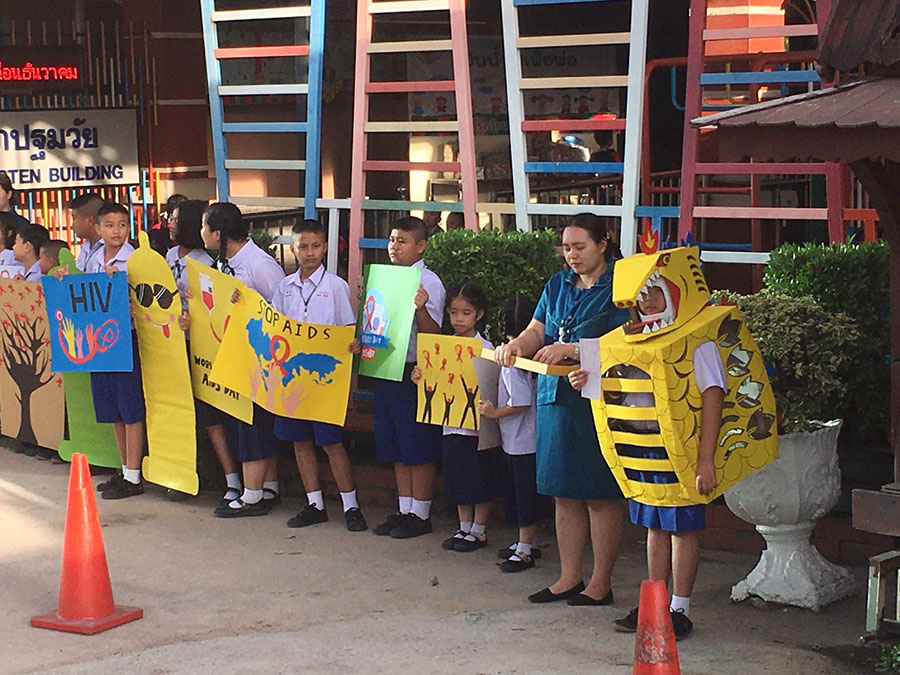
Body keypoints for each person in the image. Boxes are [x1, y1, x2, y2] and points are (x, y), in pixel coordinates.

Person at [569, 276, 725, 640]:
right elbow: (609, 388)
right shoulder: (626, 339)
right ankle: (656, 601)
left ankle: (679, 608)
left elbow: (713, 395)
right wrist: (584, 380)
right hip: (641, 446)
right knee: (654, 524)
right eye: (642, 295)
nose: (649, 301)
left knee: (682, 526)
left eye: (657, 292)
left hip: (681, 449)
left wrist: (706, 459)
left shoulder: (696, 340)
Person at [494, 213, 630, 605]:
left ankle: (600, 583)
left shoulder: (620, 285)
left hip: (597, 398)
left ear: (602, 244)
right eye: (567, 248)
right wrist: (516, 345)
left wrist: (570, 349)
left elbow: (627, 338)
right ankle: (568, 577)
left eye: (580, 247)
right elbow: (537, 330)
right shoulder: (557, 284)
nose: (572, 255)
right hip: (555, 396)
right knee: (562, 492)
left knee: (599, 494)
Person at [270, 219, 367, 532]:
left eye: (315, 246)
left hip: (325, 380)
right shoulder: (285, 287)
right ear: (293, 249)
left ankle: (351, 505)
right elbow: (274, 326)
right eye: (303, 247)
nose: (309, 253)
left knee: (331, 442)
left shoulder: (335, 286)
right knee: (300, 440)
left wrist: (352, 345)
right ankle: (315, 503)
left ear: (325, 247)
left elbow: (346, 331)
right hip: (294, 377)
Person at [202, 202, 287, 518]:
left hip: (260, 360)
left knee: (253, 426)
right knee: (244, 423)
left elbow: (280, 309)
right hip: (236, 357)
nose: (201, 233)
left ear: (217, 233)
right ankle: (268, 487)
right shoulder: (224, 263)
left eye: (204, 227)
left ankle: (252, 495)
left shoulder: (259, 264)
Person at [372, 216, 446, 539]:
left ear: (421, 246)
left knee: (417, 443)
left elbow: (436, 333)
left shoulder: (428, 281)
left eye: (402, 241)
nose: (394, 247)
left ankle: (421, 512)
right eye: (392, 240)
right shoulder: (384, 277)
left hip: (415, 370)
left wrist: (421, 308)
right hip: (385, 366)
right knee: (394, 444)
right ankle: (405, 509)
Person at [412, 283, 500, 552]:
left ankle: (479, 530)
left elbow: (494, 384)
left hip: (477, 428)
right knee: (458, 477)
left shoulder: (485, 347)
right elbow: (434, 379)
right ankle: (464, 527)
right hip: (451, 424)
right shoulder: (443, 346)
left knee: (480, 478)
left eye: (466, 313)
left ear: (479, 314)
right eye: (453, 312)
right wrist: (420, 376)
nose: (459, 319)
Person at [170, 199, 243, 507]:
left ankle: (231, 479)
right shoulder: (170, 256)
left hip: (203, 346)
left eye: (175, 219)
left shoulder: (207, 263)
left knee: (214, 416)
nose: (170, 224)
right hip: (172, 345)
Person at [480, 294, 547, 573]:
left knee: (522, 497)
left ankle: (524, 547)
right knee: (527, 493)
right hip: (529, 437)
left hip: (519, 440)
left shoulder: (510, 359)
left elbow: (519, 402)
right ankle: (527, 543)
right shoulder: (531, 355)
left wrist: (494, 412)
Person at [87, 202, 147, 499]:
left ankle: (134, 475)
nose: (116, 231)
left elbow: (147, 300)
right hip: (100, 344)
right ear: (98, 228)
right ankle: (124, 470)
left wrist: (132, 305)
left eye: (122, 225)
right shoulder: (93, 259)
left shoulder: (134, 259)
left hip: (127, 340)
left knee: (130, 407)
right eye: (109, 225)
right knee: (113, 409)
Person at [68, 192, 104, 272]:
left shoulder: (110, 248)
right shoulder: (85, 248)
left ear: (90, 221)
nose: (72, 225)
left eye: (74, 219)